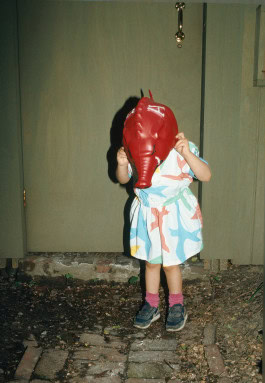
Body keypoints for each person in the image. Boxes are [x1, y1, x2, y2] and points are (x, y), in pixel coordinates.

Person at [116, 131, 211, 331]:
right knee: (151, 262)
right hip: (148, 214)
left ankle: (177, 304)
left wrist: (187, 153)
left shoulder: (180, 149)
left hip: (172, 215)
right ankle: (151, 304)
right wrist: (122, 164)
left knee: (170, 264)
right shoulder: (137, 150)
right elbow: (123, 179)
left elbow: (205, 175)